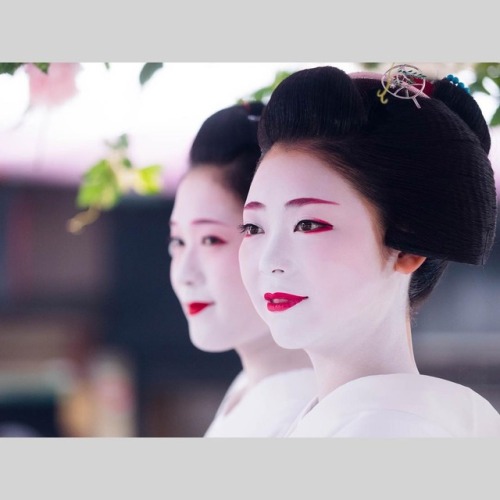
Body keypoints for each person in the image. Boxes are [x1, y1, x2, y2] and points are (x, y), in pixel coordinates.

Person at [238, 64, 500, 437]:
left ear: (406, 246)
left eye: (308, 224)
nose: (269, 261)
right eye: (253, 228)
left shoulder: (394, 431)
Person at [168, 101, 315, 437]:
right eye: (177, 242)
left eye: (210, 240)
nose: (184, 274)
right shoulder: (248, 386)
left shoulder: (304, 414)